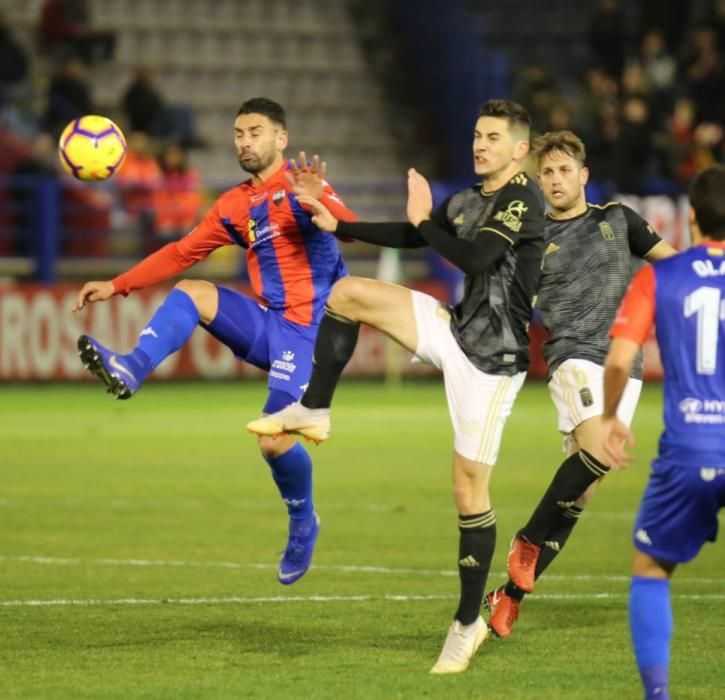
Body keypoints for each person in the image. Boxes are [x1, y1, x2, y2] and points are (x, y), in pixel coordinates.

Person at [247, 99, 545, 673]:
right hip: (456, 331)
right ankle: (314, 409)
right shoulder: (472, 197)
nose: (479, 144)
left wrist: (426, 220)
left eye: (492, 137)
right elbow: (416, 237)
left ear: (518, 149)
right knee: (348, 294)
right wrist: (340, 225)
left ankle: (466, 625)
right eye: (476, 134)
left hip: (493, 364)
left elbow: (478, 258)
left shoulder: (521, 200)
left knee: (468, 495)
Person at [72, 97, 356, 586]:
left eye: (255, 132)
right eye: (239, 133)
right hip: (269, 322)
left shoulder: (303, 185)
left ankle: (303, 520)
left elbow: (348, 227)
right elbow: (181, 252)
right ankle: (132, 368)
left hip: (312, 332)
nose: (245, 142)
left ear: (280, 139)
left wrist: (320, 203)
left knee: (272, 443)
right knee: (193, 291)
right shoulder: (233, 204)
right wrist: (118, 284)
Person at [484, 130, 676, 638]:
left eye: (563, 170)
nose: (554, 179)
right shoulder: (532, 238)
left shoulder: (618, 219)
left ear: (583, 175)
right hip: (572, 357)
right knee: (599, 451)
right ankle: (525, 540)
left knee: (583, 489)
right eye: (546, 172)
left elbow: (673, 265)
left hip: (622, 366)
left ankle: (510, 595)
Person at [601, 165, 725, 700]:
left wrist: (609, 417)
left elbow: (619, 359)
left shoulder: (660, 276)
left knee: (651, 568)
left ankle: (657, 695)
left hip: (688, 449)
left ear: (691, 215)